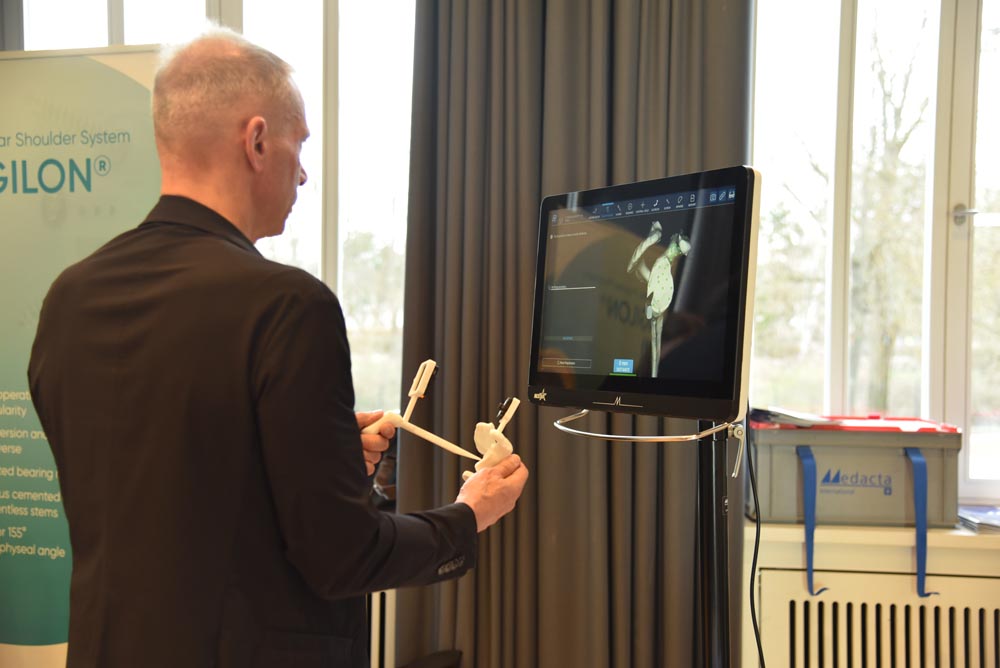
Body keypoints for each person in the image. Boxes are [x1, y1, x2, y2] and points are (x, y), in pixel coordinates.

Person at [27, 28, 528, 668]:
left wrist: (320, 454)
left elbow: (167, 486)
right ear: (258, 140)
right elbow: (343, 556)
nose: (304, 172)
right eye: (301, 143)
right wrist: (469, 514)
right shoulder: (289, 306)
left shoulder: (70, 297)